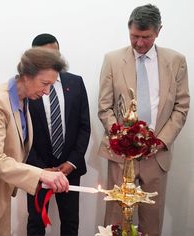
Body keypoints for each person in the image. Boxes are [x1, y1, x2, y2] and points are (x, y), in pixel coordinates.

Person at [98, 4, 190, 236]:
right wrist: (120, 136)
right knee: (115, 220)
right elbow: (104, 106)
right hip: (120, 155)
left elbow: (181, 107)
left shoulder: (176, 61)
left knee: (152, 221)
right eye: (134, 36)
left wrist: (159, 142)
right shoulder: (112, 59)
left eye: (145, 37)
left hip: (156, 156)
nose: (139, 43)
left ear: (158, 31)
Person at [0, 47, 69, 236]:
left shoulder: (22, 99)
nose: (47, 91)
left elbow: (15, 149)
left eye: (51, 85)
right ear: (26, 75)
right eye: (44, 83)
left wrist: (43, 173)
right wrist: (40, 174)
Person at [26, 33, 91, 236]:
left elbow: (84, 126)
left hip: (69, 169)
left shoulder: (76, 83)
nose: (53, 61)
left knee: (70, 222)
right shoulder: (27, 88)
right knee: (36, 222)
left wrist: (71, 162)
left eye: (56, 55)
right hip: (38, 168)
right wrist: (39, 168)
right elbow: (22, 134)